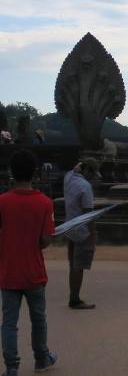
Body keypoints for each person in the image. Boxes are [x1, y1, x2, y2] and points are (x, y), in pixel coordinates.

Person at [0, 150, 58, 376]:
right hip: (34, 270)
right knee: (38, 319)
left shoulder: (2, 202)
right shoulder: (45, 203)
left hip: (8, 271)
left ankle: (11, 367)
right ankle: (41, 358)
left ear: (11, 173)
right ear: (35, 173)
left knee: (9, 322)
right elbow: (45, 240)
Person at [63, 159, 98, 310]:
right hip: (82, 231)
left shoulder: (68, 178)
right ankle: (75, 299)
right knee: (79, 266)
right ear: (87, 170)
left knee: (73, 264)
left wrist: (77, 167)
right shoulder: (85, 186)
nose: (92, 177)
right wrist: (92, 233)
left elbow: (72, 170)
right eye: (92, 173)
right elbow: (88, 214)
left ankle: (73, 296)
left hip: (70, 228)